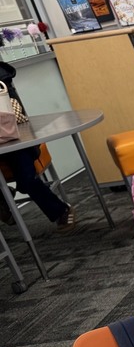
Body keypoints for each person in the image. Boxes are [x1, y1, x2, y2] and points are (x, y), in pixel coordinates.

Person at [0, 61, 75, 232]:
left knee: (27, 180)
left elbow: (16, 117)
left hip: (15, 140)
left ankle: (61, 210)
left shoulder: (2, 76)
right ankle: (4, 199)